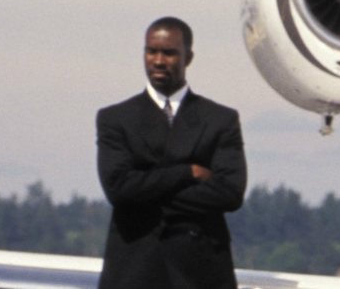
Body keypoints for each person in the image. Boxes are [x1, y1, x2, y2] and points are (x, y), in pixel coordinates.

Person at [96, 16, 248, 289]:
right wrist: (187, 172)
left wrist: (145, 187)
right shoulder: (115, 118)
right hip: (135, 269)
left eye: (168, 53)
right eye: (151, 51)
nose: (157, 60)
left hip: (201, 272)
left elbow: (230, 192)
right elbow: (118, 189)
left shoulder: (219, 119)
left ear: (187, 57)